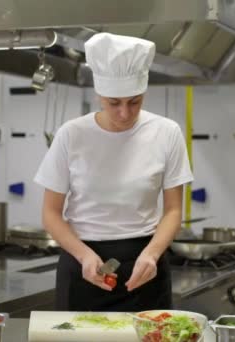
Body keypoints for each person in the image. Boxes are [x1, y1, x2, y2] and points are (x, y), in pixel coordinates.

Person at [34, 33, 193, 311]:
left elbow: (172, 211)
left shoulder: (167, 133)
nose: (124, 113)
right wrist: (83, 255)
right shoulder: (71, 135)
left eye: (134, 102)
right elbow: (50, 213)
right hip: (82, 263)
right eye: (113, 103)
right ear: (98, 96)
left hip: (144, 265)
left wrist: (153, 254)